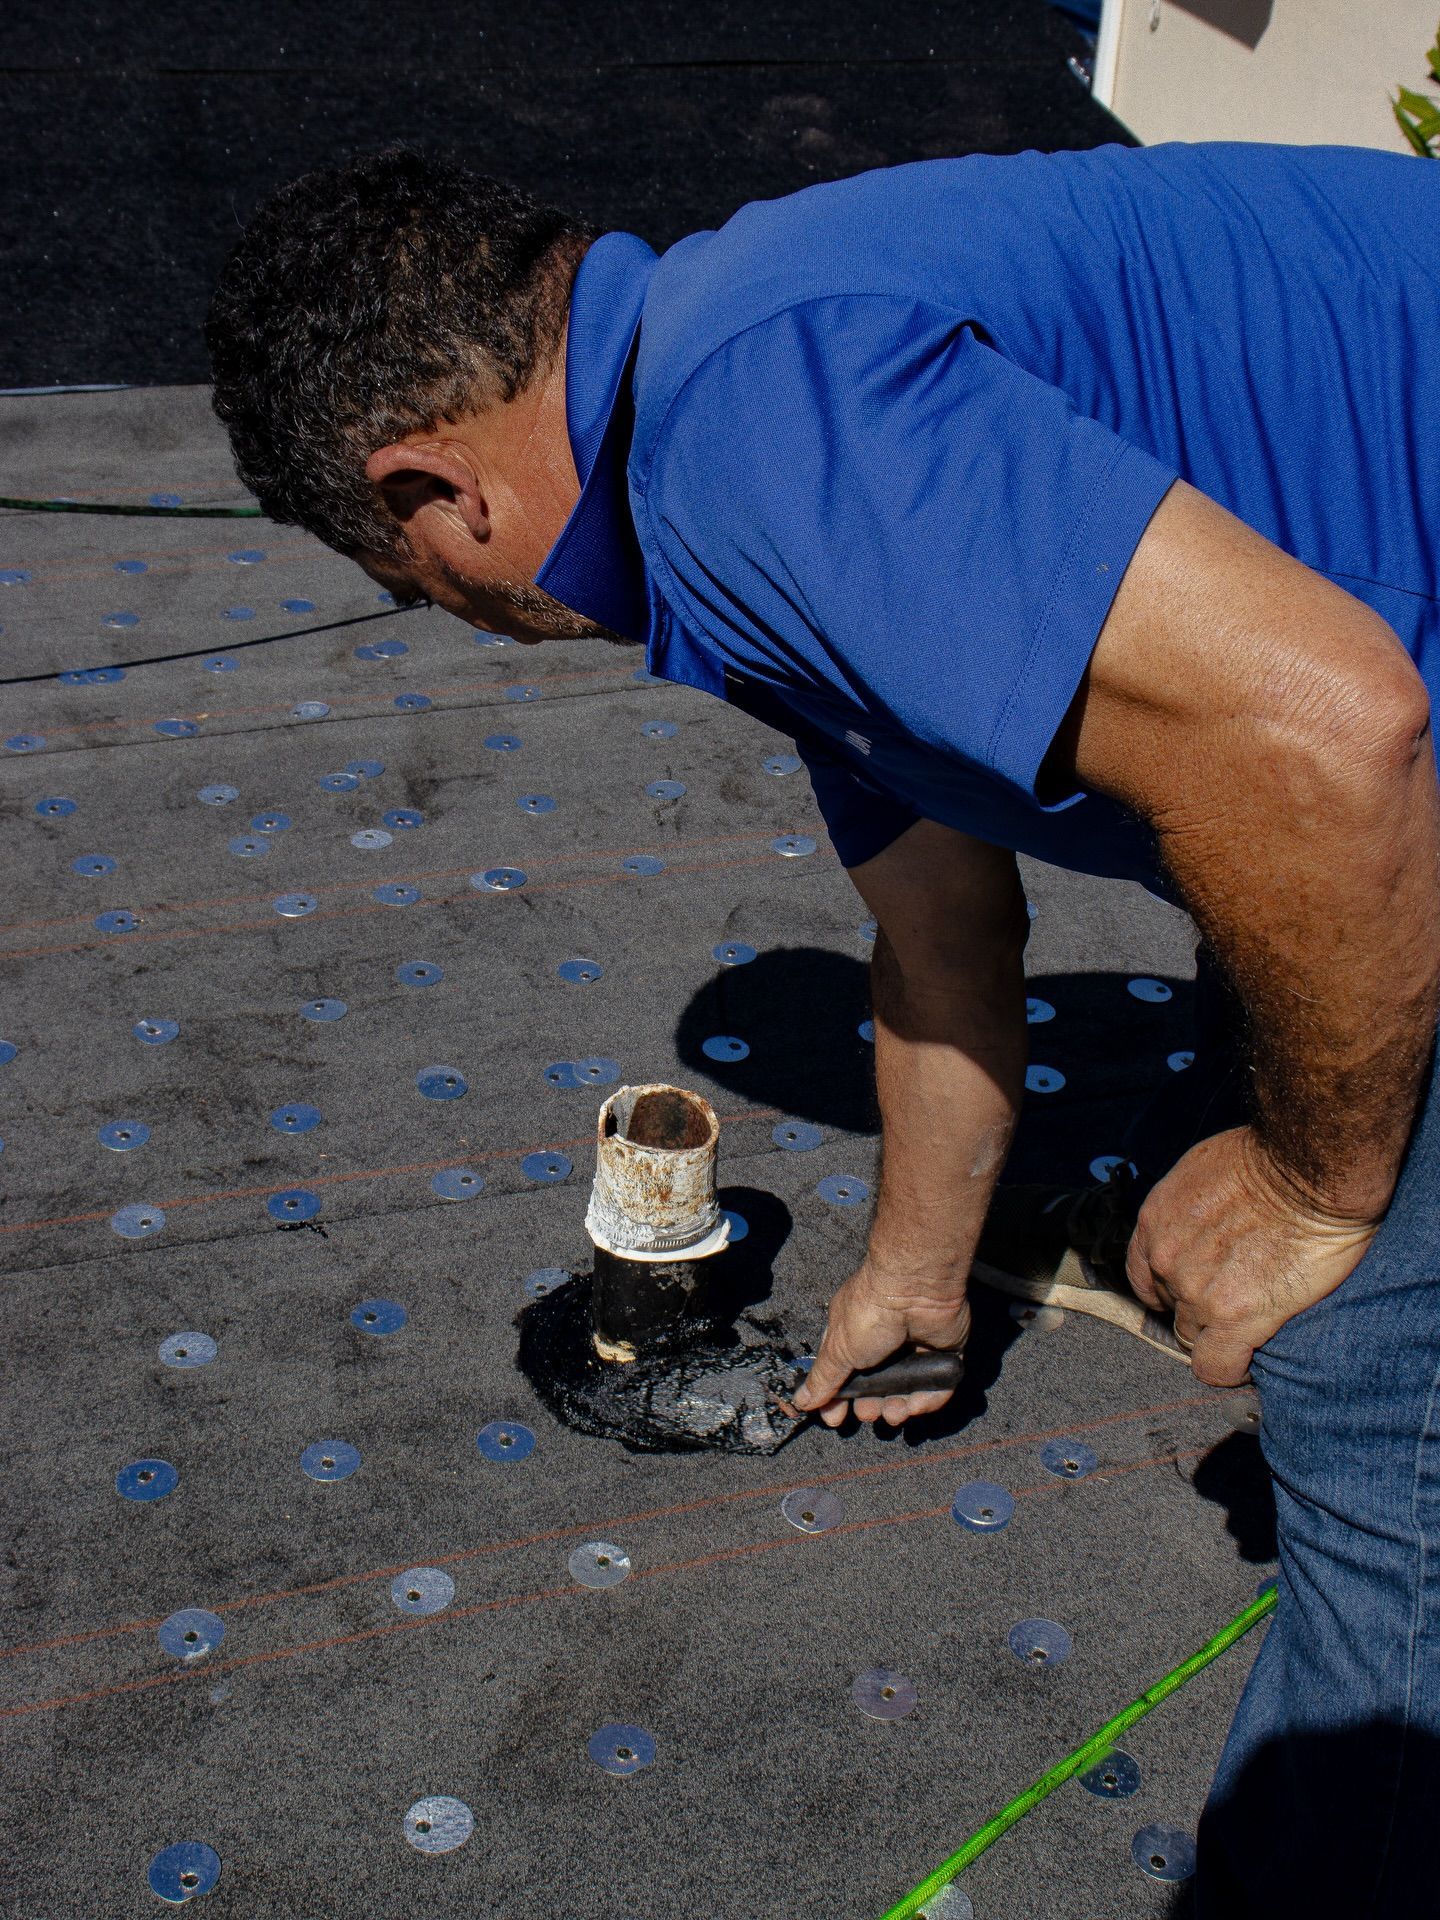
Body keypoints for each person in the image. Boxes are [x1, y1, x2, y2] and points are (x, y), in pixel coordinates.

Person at [206, 144, 1440, 1912]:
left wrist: (1316, 1186)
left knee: (1374, 1410)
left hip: (1388, 763)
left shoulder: (756, 430)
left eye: (411, 586)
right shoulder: (729, 420)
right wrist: (917, 1274)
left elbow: (1331, 744)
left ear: (435, 491)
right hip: (1382, 731)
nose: (460, 624)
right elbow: (942, 936)